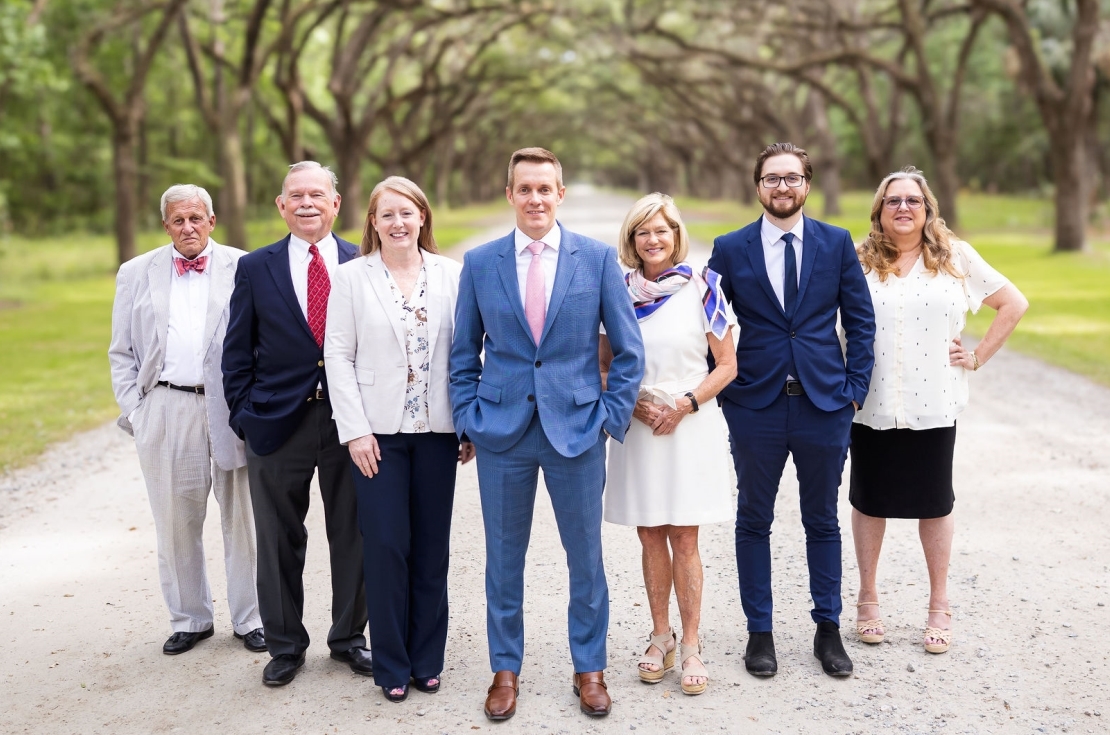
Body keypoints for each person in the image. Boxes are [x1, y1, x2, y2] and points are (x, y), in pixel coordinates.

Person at [449, 147, 644, 720]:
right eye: (524, 188)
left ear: (560, 194)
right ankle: (504, 670)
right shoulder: (480, 262)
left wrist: (609, 417)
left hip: (578, 431)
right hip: (501, 433)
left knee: (586, 559)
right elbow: (463, 353)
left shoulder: (597, 259)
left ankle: (590, 668)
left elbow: (628, 351)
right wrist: (469, 418)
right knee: (502, 560)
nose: (535, 198)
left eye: (544, 188)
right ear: (509, 194)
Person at [707, 142, 876, 678]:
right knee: (753, 519)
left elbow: (860, 321)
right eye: (772, 178)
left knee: (821, 519)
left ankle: (828, 630)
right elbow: (707, 323)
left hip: (824, 405)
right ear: (758, 186)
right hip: (754, 406)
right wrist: (724, 390)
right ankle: (760, 632)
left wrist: (854, 389)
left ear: (807, 184)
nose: (783, 187)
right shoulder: (729, 248)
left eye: (792, 178)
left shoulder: (836, 242)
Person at [850, 167, 1028, 654]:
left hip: (933, 403)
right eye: (893, 201)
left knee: (935, 502)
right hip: (871, 403)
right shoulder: (859, 261)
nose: (903, 208)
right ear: (879, 211)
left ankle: (939, 605)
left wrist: (976, 356)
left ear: (928, 209)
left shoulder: (955, 257)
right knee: (868, 499)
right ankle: (868, 599)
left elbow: (1013, 303)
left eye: (913, 200)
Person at [324, 176, 475, 703]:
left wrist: (467, 423)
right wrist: (355, 431)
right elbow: (337, 356)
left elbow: (467, 353)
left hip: (438, 433)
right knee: (386, 548)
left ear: (423, 217)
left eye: (407, 213)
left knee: (432, 549)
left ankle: (426, 660)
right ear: (373, 221)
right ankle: (391, 664)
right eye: (386, 214)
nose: (398, 223)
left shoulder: (452, 274)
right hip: (377, 437)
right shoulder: (351, 277)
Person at [222, 161, 370, 687]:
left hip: (351, 424)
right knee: (277, 539)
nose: (307, 203)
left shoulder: (363, 262)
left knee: (354, 533)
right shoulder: (255, 268)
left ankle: (348, 637)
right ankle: (285, 645)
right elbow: (236, 351)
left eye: (317, 194)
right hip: (276, 423)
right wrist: (245, 415)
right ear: (281, 206)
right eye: (296, 196)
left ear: (335, 203)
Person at [108, 184, 264, 656]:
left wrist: (256, 406)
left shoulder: (246, 266)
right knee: (176, 521)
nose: (188, 227)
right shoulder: (136, 272)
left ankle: (251, 618)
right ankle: (190, 618)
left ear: (212, 221)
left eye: (196, 218)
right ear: (166, 226)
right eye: (178, 220)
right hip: (167, 405)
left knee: (244, 518)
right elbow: (121, 351)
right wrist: (138, 411)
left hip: (232, 406)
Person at [602, 193, 736, 696]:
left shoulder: (704, 287)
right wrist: (633, 402)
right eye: (643, 231)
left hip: (689, 421)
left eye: (661, 230)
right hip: (639, 421)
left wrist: (685, 404)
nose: (652, 239)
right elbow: (602, 366)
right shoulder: (616, 291)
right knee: (650, 533)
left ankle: (693, 643)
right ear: (632, 240)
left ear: (676, 235)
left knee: (684, 536)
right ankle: (661, 636)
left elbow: (727, 365)